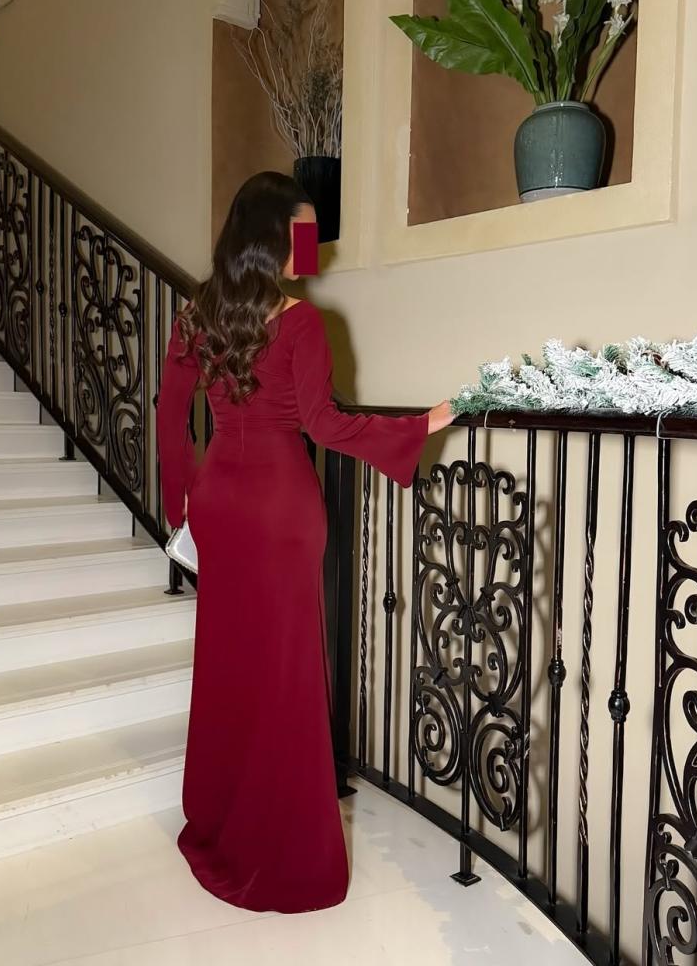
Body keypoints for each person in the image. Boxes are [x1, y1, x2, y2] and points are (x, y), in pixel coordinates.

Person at [156, 171, 454, 914]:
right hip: (282, 509)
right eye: (305, 232)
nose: (313, 245)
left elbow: (169, 416)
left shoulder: (197, 314)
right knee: (285, 676)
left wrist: (178, 504)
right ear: (272, 236)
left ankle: (220, 818)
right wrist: (420, 426)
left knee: (228, 666)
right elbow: (325, 426)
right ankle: (280, 848)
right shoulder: (302, 323)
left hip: (221, 503)